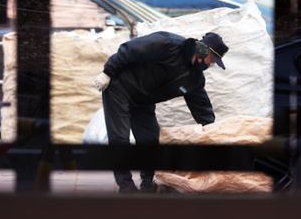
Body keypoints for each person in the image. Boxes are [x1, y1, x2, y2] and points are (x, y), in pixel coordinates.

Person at [93, 31, 229, 193]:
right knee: (119, 138)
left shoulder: (195, 79)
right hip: (120, 87)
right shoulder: (168, 43)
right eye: (212, 60)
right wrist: (108, 72)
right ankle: (125, 186)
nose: (211, 64)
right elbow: (130, 49)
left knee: (150, 140)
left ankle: (148, 184)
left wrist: (212, 132)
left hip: (143, 101)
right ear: (203, 50)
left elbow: (201, 107)